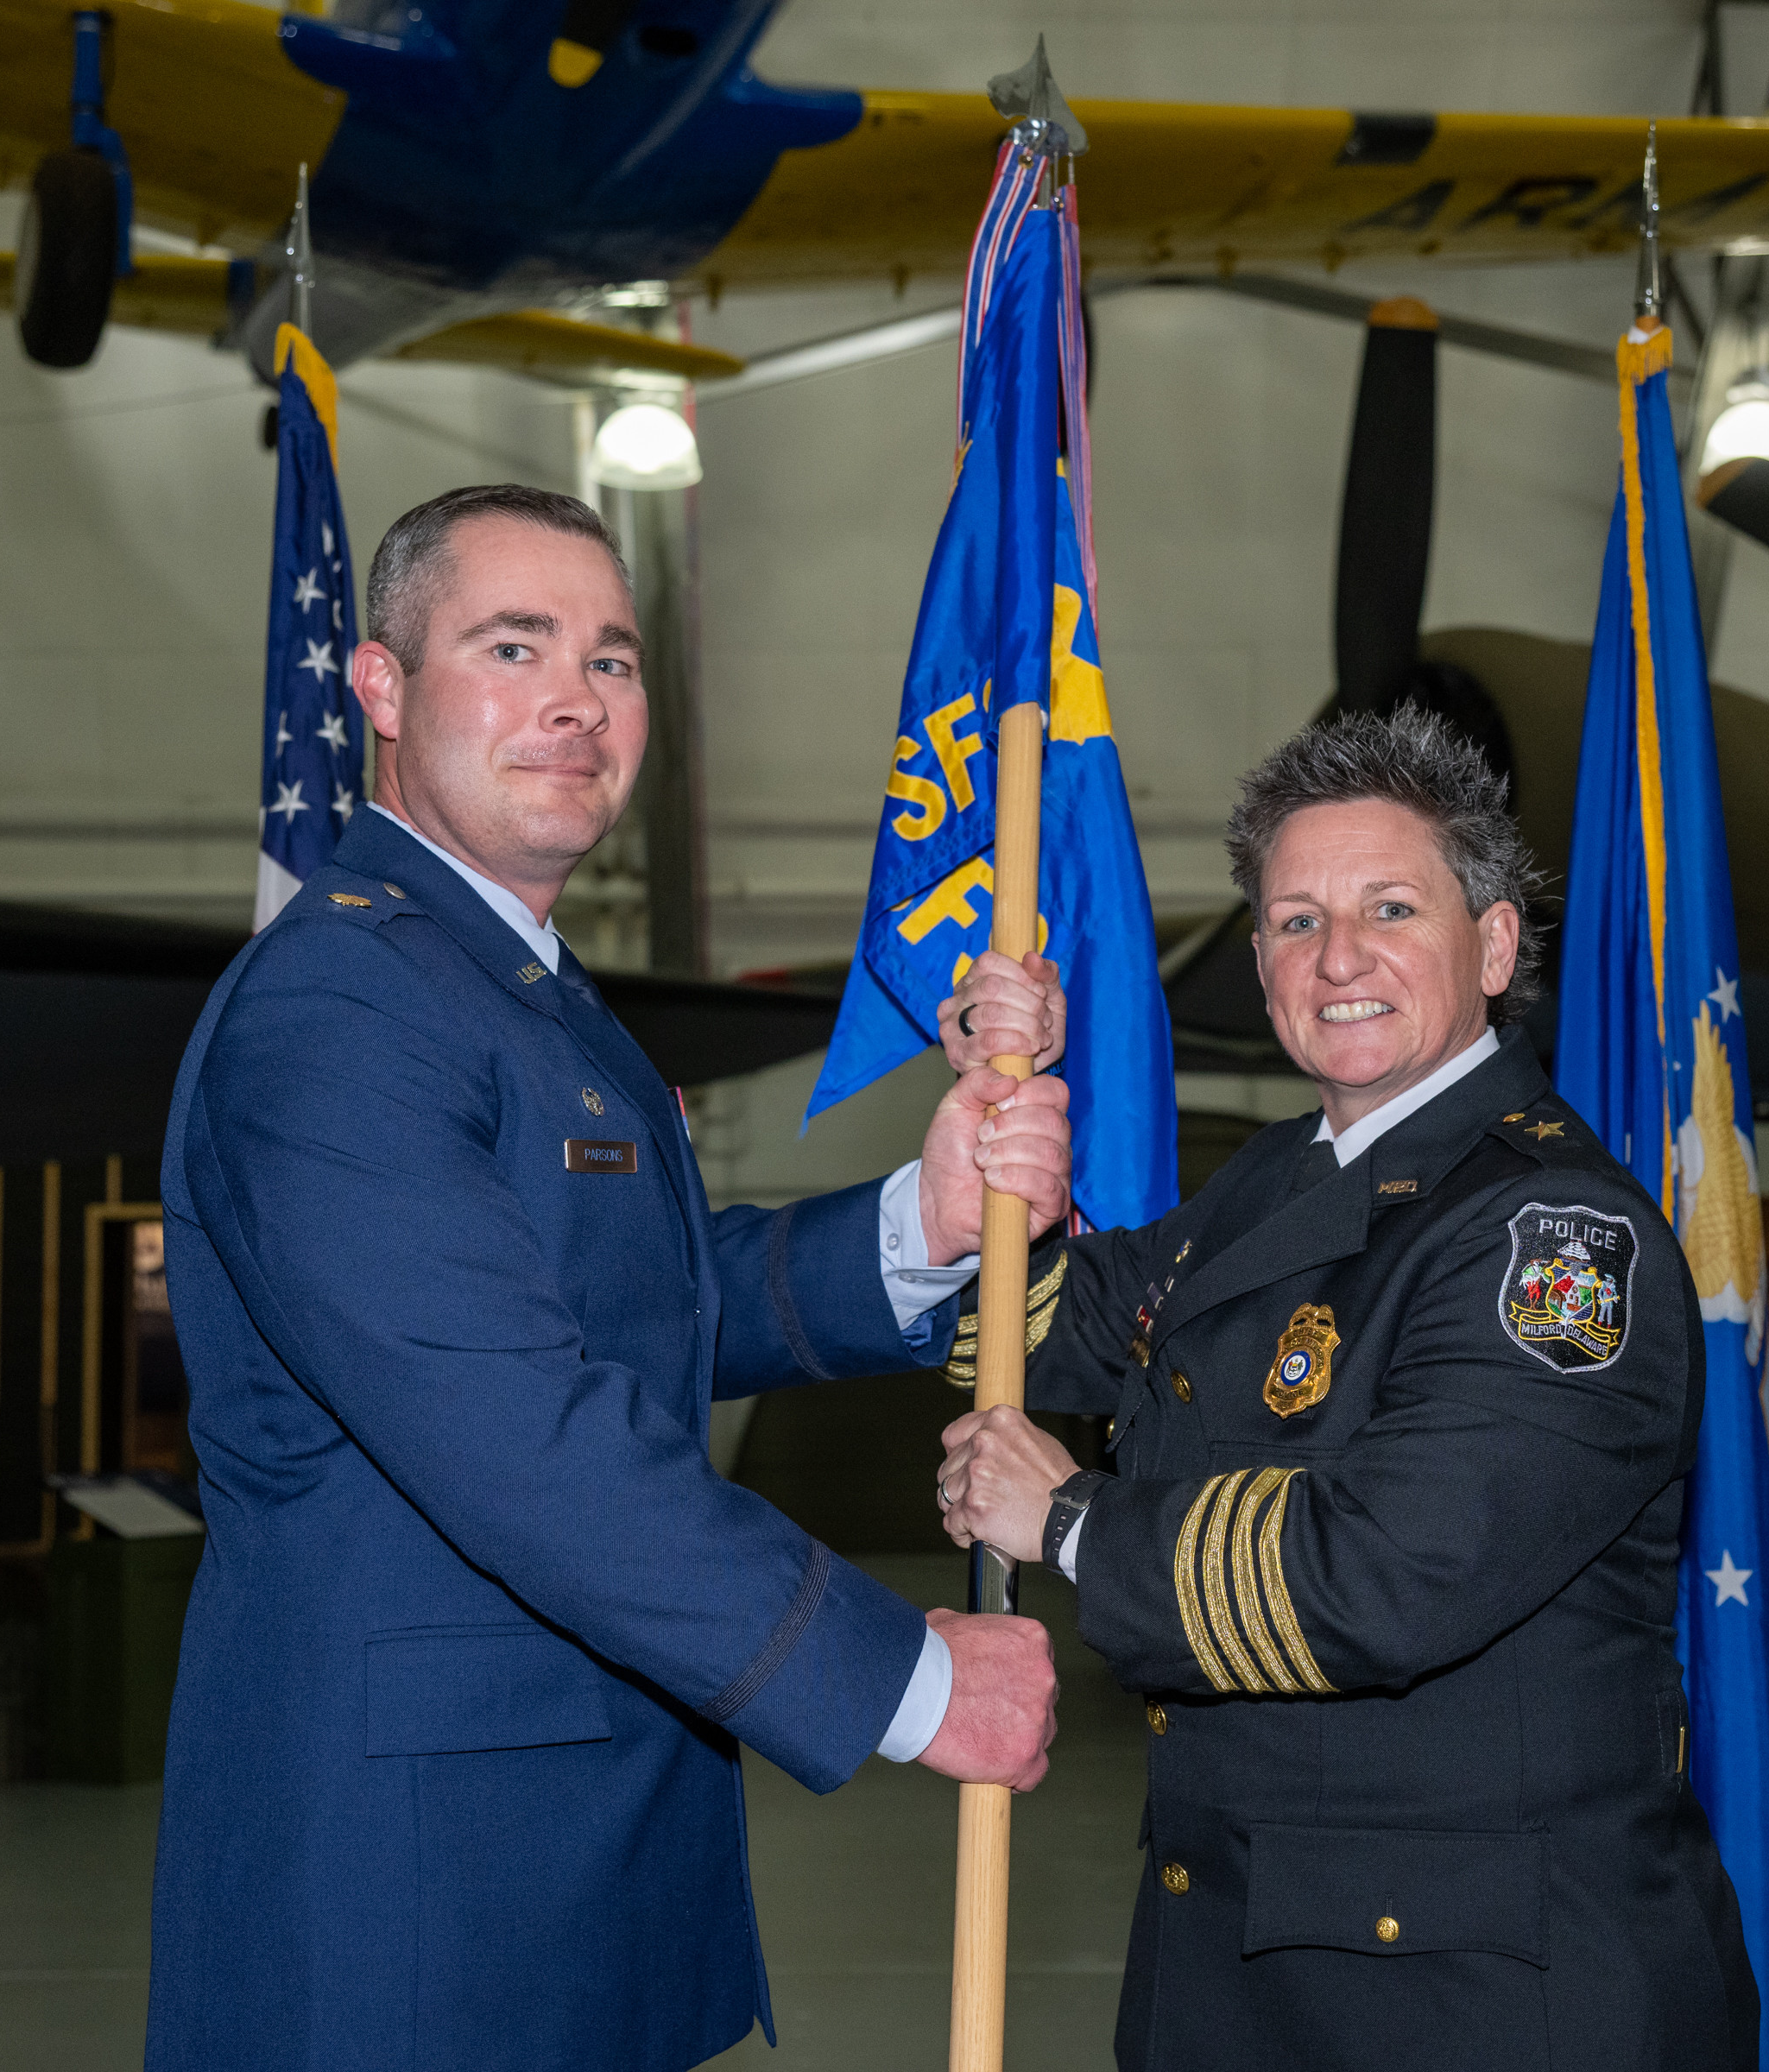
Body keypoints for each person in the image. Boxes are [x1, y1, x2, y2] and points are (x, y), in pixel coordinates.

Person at [147, 484, 1068, 2072]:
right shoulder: (341, 1010)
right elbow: (515, 1426)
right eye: (513, 647)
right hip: (416, 1900)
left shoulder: (511, 989)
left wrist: (917, 1222)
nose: (577, 698)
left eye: (614, 661)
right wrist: (906, 1682)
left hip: (564, 1855)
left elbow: (634, 1300)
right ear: (380, 688)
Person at [934, 707, 1758, 2071]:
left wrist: (1072, 1521)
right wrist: (985, 1130)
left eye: (1391, 908)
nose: (1339, 958)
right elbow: (1030, 1334)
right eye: (1296, 921)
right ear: (1260, 961)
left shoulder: (1553, 1234)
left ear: (1495, 947)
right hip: (1244, 1971)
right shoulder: (1275, 1180)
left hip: (1479, 2003)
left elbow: (1391, 1576)